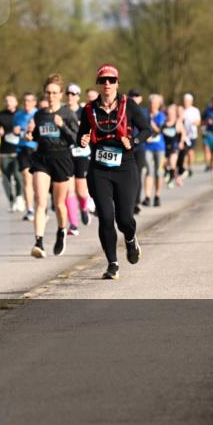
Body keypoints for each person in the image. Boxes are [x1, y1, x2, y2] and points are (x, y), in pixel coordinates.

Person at [78, 64, 151, 280]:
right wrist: (82, 139)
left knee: (124, 219)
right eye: (103, 80)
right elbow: (81, 134)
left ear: (117, 83)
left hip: (125, 166)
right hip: (99, 168)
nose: (107, 84)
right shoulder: (89, 109)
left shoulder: (129, 106)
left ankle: (130, 239)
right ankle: (112, 264)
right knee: (106, 217)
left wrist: (133, 141)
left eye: (111, 80)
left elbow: (146, 130)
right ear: (98, 85)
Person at [27, 74, 79, 258]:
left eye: (55, 92)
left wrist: (62, 125)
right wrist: (30, 134)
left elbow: (76, 139)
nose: (51, 96)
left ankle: (61, 230)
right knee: (41, 201)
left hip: (61, 158)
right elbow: (37, 136)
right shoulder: (39, 114)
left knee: (59, 203)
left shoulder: (68, 114)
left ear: (61, 94)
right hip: (42, 158)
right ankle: (39, 242)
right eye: (48, 92)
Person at [65, 83, 92, 229]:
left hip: (82, 153)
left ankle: (83, 208)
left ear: (78, 96)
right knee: (69, 190)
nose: (70, 96)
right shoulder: (61, 112)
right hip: (67, 154)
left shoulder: (84, 112)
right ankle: (73, 224)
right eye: (68, 93)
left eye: (73, 94)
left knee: (81, 191)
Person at [0, 95, 25, 212]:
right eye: (6, 101)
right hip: (4, 152)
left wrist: (20, 131)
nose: (8, 103)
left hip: (18, 151)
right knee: (6, 179)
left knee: (18, 175)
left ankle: (19, 197)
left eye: (11, 101)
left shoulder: (21, 115)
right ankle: (11, 200)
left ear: (16, 102)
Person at [15, 92, 39, 221]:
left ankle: (40, 205)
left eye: (29, 100)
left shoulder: (39, 114)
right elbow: (16, 130)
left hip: (37, 148)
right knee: (26, 177)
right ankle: (30, 209)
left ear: (34, 102)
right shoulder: (18, 115)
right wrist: (16, 131)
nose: (26, 103)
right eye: (24, 100)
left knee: (37, 180)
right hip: (23, 148)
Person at [142, 94, 166, 207]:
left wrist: (150, 121)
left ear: (159, 105)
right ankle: (147, 197)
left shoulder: (161, 116)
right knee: (149, 170)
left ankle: (157, 196)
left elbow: (159, 130)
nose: (153, 105)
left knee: (158, 171)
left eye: (155, 103)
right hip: (147, 146)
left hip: (159, 147)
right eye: (151, 103)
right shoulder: (145, 114)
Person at [128, 89, 147, 214]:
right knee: (127, 175)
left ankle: (136, 202)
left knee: (137, 175)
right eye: (132, 96)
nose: (134, 98)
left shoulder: (145, 111)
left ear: (141, 99)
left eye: (137, 95)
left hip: (140, 148)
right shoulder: (124, 109)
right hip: (127, 148)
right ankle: (128, 202)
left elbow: (148, 129)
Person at [162, 104, 187, 187]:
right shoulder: (164, 122)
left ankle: (171, 180)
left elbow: (183, 133)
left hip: (174, 145)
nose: (170, 115)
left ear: (175, 114)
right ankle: (170, 174)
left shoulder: (177, 123)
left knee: (173, 163)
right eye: (168, 113)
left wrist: (181, 142)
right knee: (165, 164)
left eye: (172, 113)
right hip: (165, 147)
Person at [180, 93, 201, 176]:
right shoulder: (182, 110)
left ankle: (190, 167)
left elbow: (198, 122)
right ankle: (184, 168)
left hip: (192, 134)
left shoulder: (195, 110)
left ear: (191, 101)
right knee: (184, 151)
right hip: (183, 135)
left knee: (190, 152)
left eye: (187, 101)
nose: (186, 102)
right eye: (185, 101)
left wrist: (193, 123)